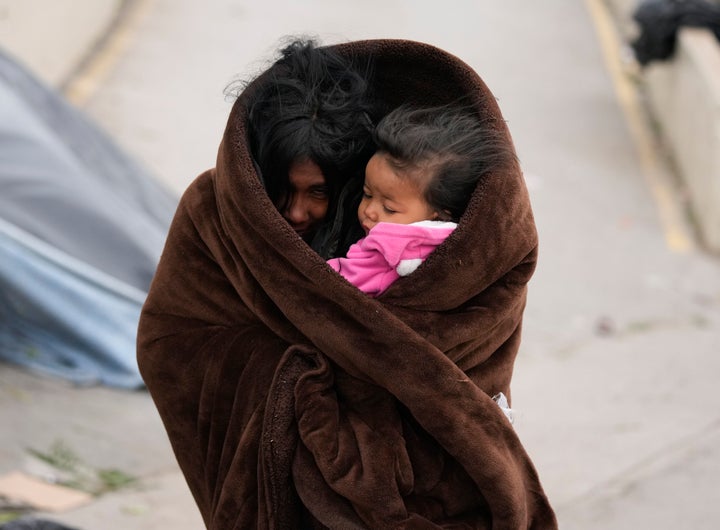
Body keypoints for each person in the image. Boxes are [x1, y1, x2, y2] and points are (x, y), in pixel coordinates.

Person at [137, 38, 557, 529]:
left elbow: (472, 353)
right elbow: (170, 343)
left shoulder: (455, 248)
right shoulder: (214, 216)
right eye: (280, 190)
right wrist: (300, 376)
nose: (296, 212)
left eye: (318, 192)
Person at [328, 104, 515, 297]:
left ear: (440, 214)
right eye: (367, 194)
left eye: (389, 208)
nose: (369, 211)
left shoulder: (392, 246)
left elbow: (336, 284)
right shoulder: (464, 246)